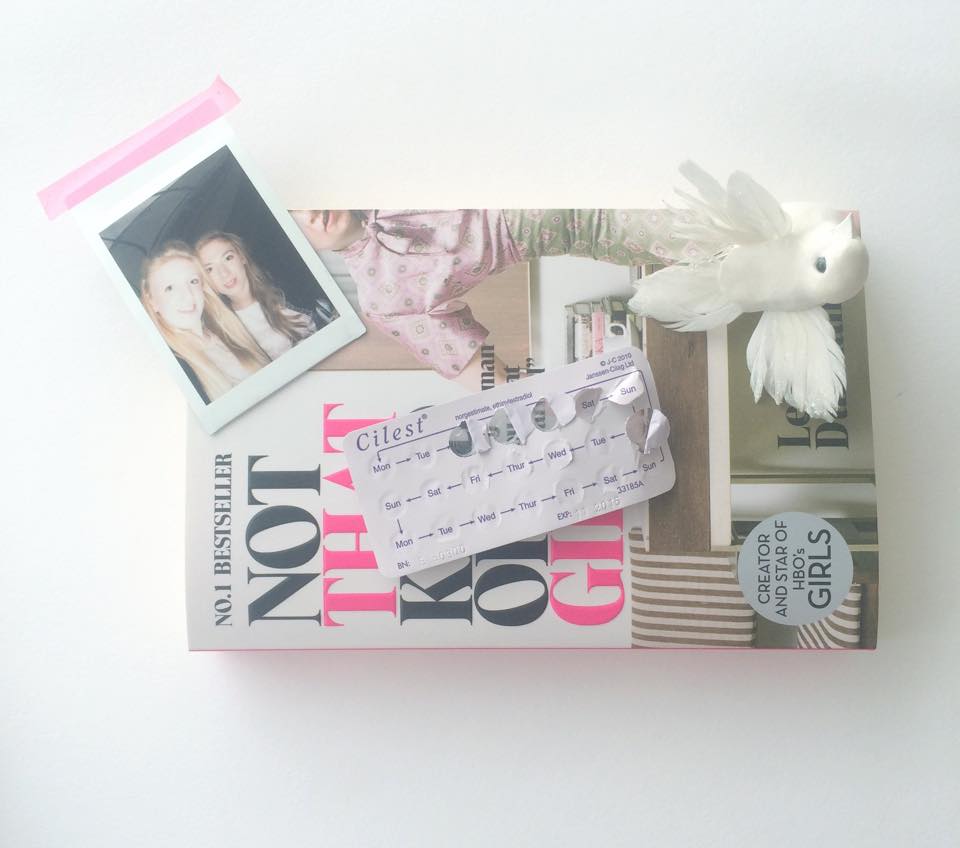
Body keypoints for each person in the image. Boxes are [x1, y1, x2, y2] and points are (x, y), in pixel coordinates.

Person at [291, 208, 698, 382]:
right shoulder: (381, 299)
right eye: (291, 219)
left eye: (295, 199)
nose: (308, 214)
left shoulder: (372, 158)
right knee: (710, 226)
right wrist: (541, 410)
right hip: (598, 225)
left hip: (577, 137)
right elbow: (482, 373)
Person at [140, 242, 269, 401]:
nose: (187, 295)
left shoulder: (228, 332)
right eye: (170, 288)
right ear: (152, 301)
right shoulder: (173, 370)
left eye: (193, 282)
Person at [196, 231, 325, 360]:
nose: (224, 273)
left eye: (228, 258)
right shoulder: (221, 333)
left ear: (242, 257)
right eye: (210, 269)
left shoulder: (287, 288)